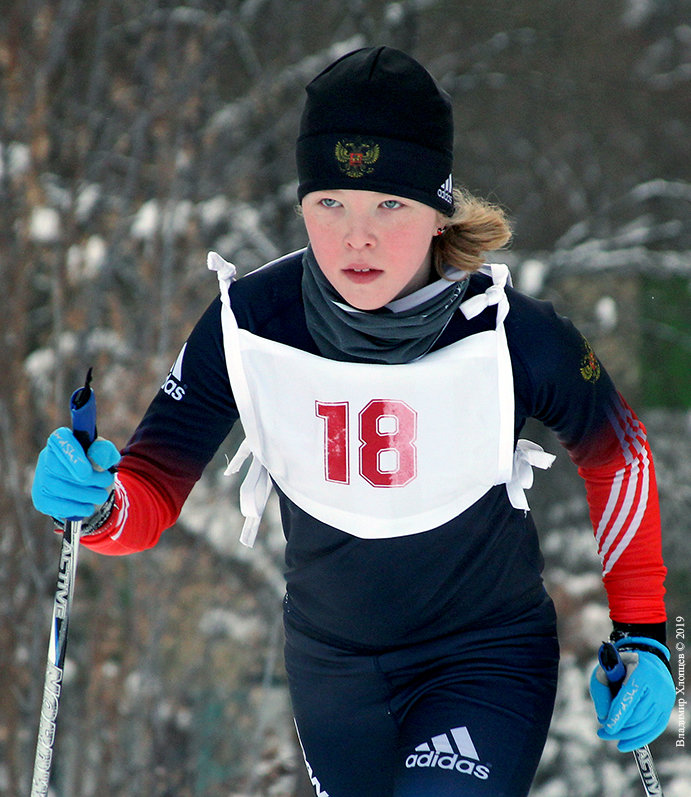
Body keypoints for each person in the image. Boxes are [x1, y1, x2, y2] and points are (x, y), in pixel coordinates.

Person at [32, 47, 675, 796]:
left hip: (481, 659)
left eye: (388, 205)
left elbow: (620, 453)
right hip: (334, 676)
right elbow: (148, 490)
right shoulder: (251, 326)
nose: (354, 236)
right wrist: (96, 503)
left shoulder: (507, 335)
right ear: (301, 204)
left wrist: (645, 636)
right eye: (329, 203)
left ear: (438, 211)